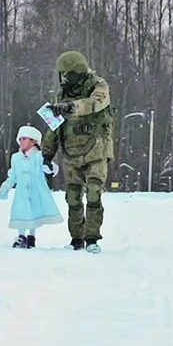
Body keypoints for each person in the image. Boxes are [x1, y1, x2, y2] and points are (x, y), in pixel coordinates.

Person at [41, 51, 114, 254]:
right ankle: (76, 238)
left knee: (93, 193)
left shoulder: (98, 86)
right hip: (70, 151)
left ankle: (92, 237)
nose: (63, 78)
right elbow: (54, 127)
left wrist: (69, 107)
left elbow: (95, 104)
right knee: (72, 197)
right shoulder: (61, 95)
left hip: (96, 149)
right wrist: (47, 152)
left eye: (66, 74)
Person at [0, 124, 63, 248]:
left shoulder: (39, 156)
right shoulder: (16, 158)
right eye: (20, 139)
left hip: (36, 190)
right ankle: (21, 236)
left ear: (33, 141)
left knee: (33, 212)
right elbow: (13, 175)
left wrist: (49, 167)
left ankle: (31, 237)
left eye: (24, 138)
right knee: (21, 211)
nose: (21, 141)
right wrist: (6, 187)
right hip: (21, 192)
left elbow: (52, 169)